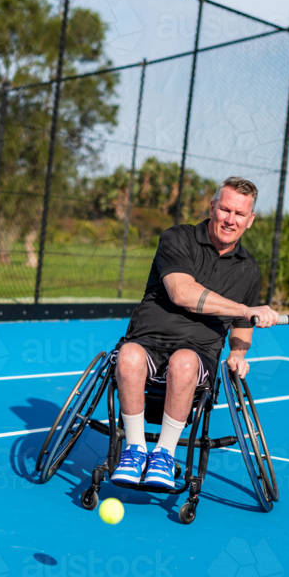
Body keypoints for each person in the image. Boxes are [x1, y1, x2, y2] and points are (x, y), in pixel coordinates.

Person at [110, 176, 279, 489]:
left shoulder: (249, 269)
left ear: (250, 220)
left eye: (240, 214)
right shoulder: (177, 238)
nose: (230, 220)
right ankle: (133, 451)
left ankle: (163, 455)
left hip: (197, 354)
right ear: (212, 207)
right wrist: (244, 309)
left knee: (184, 361)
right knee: (129, 355)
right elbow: (181, 292)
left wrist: (239, 352)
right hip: (147, 341)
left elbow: (243, 326)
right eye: (225, 210)